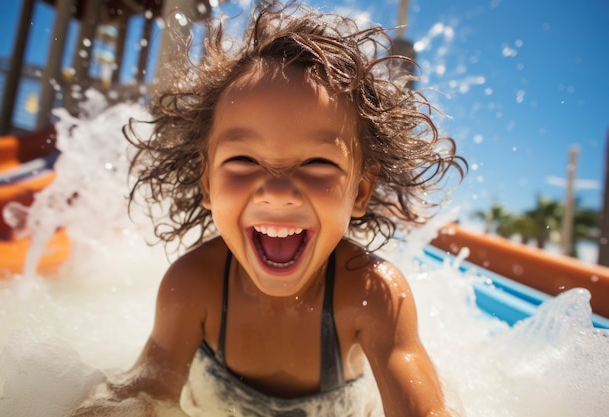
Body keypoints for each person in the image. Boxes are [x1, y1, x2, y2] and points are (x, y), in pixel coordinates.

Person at [72, 1, 466, 416]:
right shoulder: (193, 287)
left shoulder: (372, 297)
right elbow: (140, 398)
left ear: (361, 191)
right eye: (243, 161)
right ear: (207, 183)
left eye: (318, 163)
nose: (277, 193)